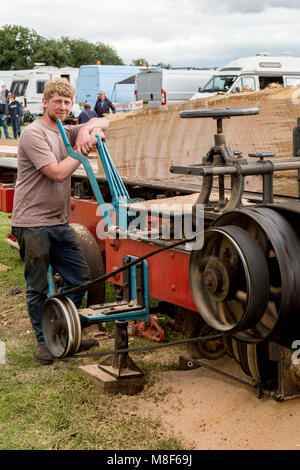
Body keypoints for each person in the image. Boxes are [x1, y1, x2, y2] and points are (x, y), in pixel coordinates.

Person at [11, 78, 110, 365]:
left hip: (58, 222)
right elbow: (56, 172)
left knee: (80, 278)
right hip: (33, 222)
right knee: (37, 286)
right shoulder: (33, 134)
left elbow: (105, 122)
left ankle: (63, 328)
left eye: (68, 102)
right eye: (58, 101)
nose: (63, 106)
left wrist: (87, 131)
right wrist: (82, 151)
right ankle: (44, 341)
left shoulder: (66, 131)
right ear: (45, 102)